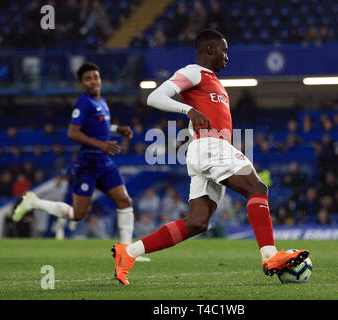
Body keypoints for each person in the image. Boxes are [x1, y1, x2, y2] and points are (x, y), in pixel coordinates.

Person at [112, 29, 308, 285]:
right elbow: (155, 97)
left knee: (197, 222)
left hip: (208, 150)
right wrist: (188, 110)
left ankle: (129, 252)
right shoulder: (194, 71)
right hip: (209, 147)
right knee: (257, 188)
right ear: (209, 50)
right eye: (224, 50)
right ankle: (270, 256)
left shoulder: (216, 82)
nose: (227, 56)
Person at [12, 62, 149, 262]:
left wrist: (117, 129)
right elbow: (73, 132)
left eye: (95, 77)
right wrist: (100, 145)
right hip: (88, 163)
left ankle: (127, 252)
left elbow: (99, 126)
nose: (93, 81)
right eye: (88, 79)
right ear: (81, 84)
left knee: (124, 200)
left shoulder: (101, 102)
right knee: (78, 214)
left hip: (104, 162)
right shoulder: (84, 102)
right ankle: (34, 202)